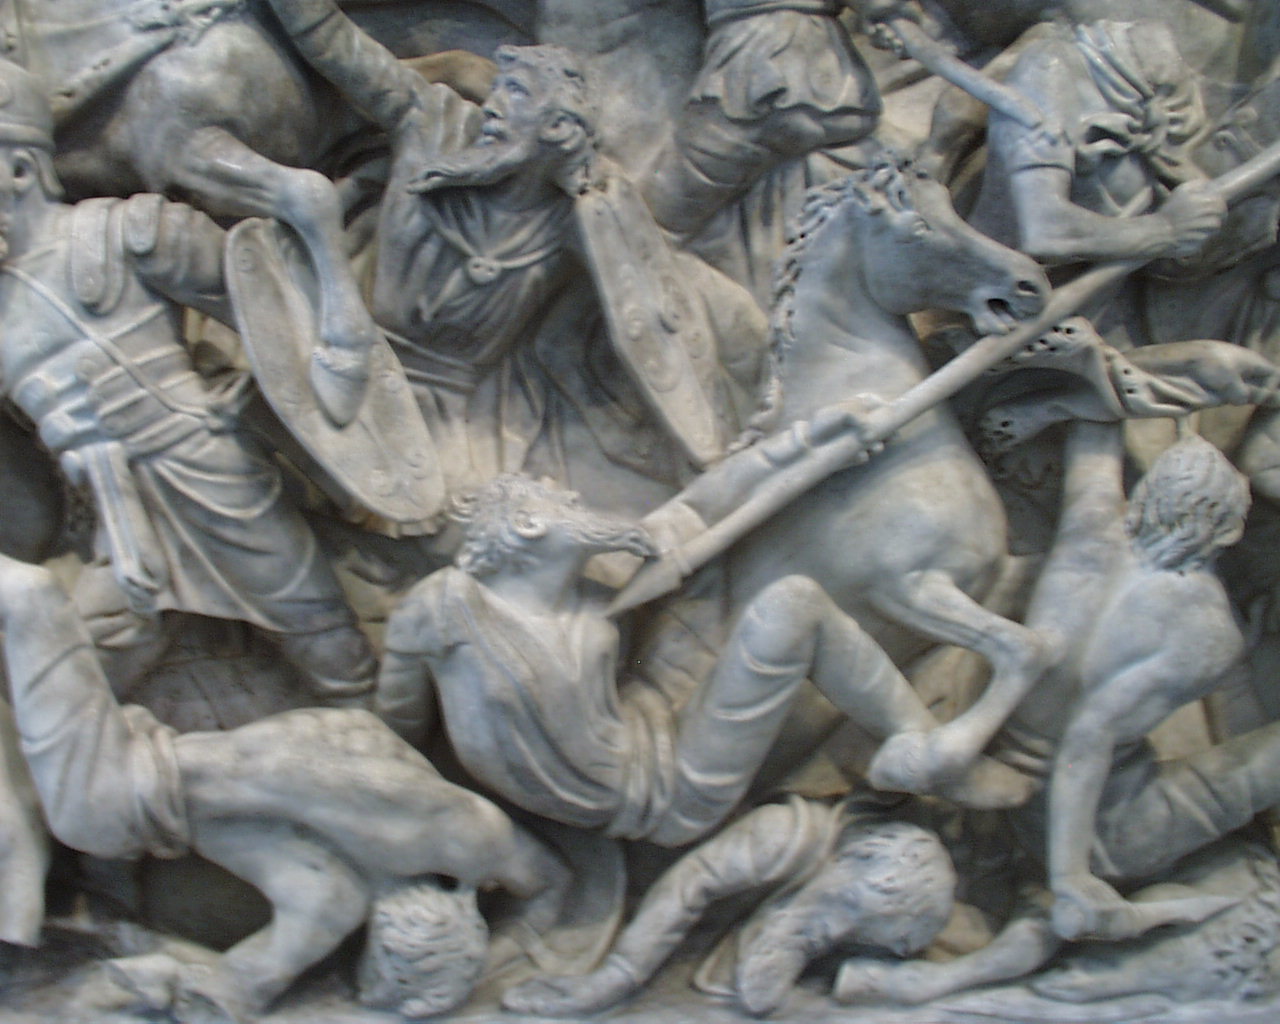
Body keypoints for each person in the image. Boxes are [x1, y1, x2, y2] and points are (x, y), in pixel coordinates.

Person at [0, 551, 568, 1021]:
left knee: (32, 599)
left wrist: (511, 934)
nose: (382, 949)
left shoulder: (356, 875)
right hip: (127, 787)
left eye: (387, 956)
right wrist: (515, 942)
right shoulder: (414, 844)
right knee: (34, 598)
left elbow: (535, 875)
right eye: (394, 961)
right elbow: (541, 876)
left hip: (126, 792)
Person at [375, 451, 1034, 848]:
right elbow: (399, 729)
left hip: (661, 738)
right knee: (794, 603)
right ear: (527, 523)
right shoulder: (447, 605)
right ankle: (928, 752)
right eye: (558, 498)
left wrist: (818, 439)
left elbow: (698, 507)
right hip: (664, 794)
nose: (574, 497)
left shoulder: (592, 602)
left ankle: (922, 748)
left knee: (778, 593)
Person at [836, 423, 1280, 1004]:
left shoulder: (1093, 529)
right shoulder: (1207, 631)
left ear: (1146, 496)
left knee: (1047, 898)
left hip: (1000, 766)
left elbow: (1094, 437)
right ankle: (1003, 942)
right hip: (1100, 824)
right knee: (1250, 771)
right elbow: (1089, 737)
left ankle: (939, 976)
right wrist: (1072, 874)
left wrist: (1101, 391)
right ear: (1229, 529)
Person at [263, 0, 768, 508]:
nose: (494, 106)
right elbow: (335, 44)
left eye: (518, 92)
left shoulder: (575, 219)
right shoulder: (430, 121)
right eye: (499, 89)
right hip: (328, 365)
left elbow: (651, 311)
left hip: (448, 435)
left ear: (557, 129)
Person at [0, 58, 374, 701]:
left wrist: (261, 395)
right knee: (70, 690)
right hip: (114, 524)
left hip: (213, 480)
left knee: (336, 655)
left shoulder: (127, 234)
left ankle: (386, 754)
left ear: (20, 170)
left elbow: (273, 310)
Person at [503, 795, 955, 1017]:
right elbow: (689, 884)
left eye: (855, 934)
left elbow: (763, 986)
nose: (834, 931)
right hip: (602, 885)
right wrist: (614, 978)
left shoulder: (834, 902)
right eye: (845, 908)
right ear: (851, 858)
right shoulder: (788, 834)